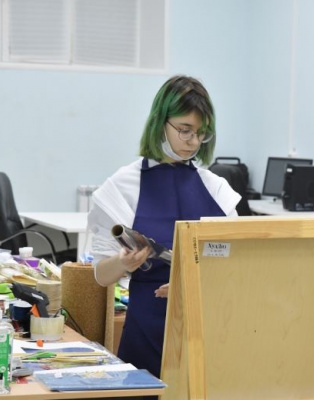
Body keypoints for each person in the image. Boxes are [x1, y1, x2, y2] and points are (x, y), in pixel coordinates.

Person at [88, 75, 241, 380]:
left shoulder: (218, 190)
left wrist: (194, 285)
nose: (193, 141)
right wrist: (123, 262)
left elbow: (236, 265)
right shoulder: (121, 188)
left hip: (206, 331)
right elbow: (101, 276)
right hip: (145, 332)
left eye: (201, 133)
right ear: (160, 123)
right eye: (185, 130)